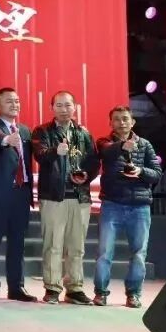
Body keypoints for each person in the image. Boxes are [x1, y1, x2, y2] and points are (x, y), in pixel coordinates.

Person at [31, 91, 100, 305]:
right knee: (53, 245)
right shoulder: (42, 131)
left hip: (80, 197)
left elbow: (94, 162)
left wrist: (87, 175)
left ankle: (75, 288)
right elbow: (39, 155)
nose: (64, 109)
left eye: (68, 105)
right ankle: (52, 288)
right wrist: (55, 151)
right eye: (59, 105)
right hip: (53, 196)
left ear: (75, 107)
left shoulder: (84, 133)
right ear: (52, 108)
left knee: (77, 247)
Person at [93, 106, 162, 308]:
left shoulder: (145, 144)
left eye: (125, 119)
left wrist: (140, 171)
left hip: (139, 206)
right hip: (112, 204)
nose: (121, 122)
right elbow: (107, 153)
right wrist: (123, 146)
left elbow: (157, 173)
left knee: (139, 253)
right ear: (110, 123)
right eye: (116, 119)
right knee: (104, 252)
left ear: (132, 122)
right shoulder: (104, 142)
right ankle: (100, 292)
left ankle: (133, 294)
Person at [0, 88, 37, 302]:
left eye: (17, 101)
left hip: (21, 194)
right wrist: (6, 140)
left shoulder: (25, 130)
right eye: (9, 101)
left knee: (17, 243)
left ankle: (16, 287)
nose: (14, 104)